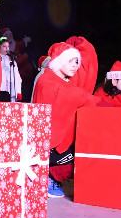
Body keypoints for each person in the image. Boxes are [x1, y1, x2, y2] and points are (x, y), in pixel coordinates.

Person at [32, 36, 101, 198]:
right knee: (79, 157)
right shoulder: (45, 79)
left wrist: (83, 45)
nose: (75, 65)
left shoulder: (64, 81)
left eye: (77, 62)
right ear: (60, 61)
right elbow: (70, 95)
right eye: (71, 61)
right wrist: (97, 102)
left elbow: (87, 71)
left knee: (87, 151)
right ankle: (45, 175)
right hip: (43, 144)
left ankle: (50, 175)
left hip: (58, 143)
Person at [0, 37, 22, 102]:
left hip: (9, 92)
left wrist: (18, 92)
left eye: (8, 46)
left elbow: (17, 77)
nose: (7, 48)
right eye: (4, 46)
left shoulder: (11, 61)